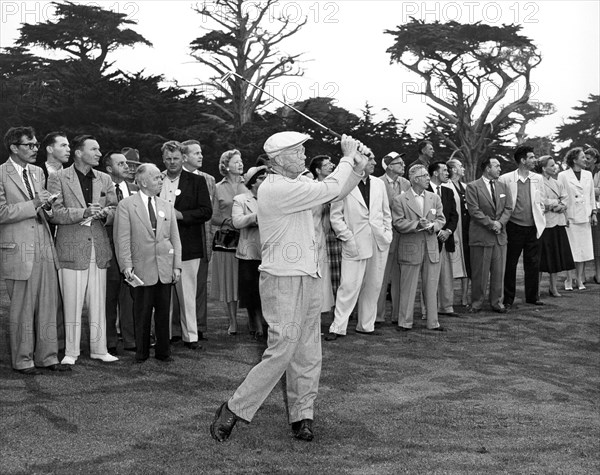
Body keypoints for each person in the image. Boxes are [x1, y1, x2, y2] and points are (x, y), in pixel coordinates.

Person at [209, 132, 369, 443]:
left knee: (308, 352)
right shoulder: (277, 187)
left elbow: (335, 193)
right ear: (279, 159)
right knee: (282, 350)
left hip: (308, 273)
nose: (303, 156)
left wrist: (359, 167)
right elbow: (330, 187)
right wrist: (348, 157)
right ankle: (233, 408)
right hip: (282, 278)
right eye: (298, 152)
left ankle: (302, 416)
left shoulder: (295, 184)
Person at [0, 126, 69, 374]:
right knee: (22, 308)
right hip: (18, 248)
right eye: (29, 145)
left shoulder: (38, 172)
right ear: (14, 148)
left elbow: (44, 208)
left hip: (44, 243)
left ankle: (48, 356)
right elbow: (2, 212)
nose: (34, 149)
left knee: (48, 303)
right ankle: (23, 360)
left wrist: (48, 207)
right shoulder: (1, 174)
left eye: (36, 145)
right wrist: (34, 204)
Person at [48, 135, 119, 365]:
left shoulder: (105, 178)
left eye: (99, 149)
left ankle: (99, 349)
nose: (99, 153)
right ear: (79, 153)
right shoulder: (58, 178)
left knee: (98, 302)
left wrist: (105, 214)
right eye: (94, 149)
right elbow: (54, 213)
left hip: (98, 248)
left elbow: (115, 208)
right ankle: (71, 351)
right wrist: (84, 213)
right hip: (71, 248)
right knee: (72, 302)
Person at [114, 164, 182, 363]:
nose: (161, 181)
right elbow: (122, 239)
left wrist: (176, 266)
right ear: (143, 181)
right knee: (141, 312)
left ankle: (163, 352)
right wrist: (126, 266)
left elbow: (175, 238)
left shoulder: (166, 205)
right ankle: (141, 352)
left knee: (163, 313)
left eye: (161, 178)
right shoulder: (126, 205)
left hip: (164, 268)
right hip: (141, 269)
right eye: (156, 178)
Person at [326, 154, 392, 340]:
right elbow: (336, 217)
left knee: (374, 285)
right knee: (349, 285)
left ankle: (366, 325)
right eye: (370, 160)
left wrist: (387, 234)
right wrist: (347, 237)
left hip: (378, 241)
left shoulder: (379, 184)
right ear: (358, 163)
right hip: (354, 241)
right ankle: (338, 327)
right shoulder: (346, 183)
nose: (374, 163)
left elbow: (386, 213)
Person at [160, 140, 212, 349]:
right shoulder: (157, 179)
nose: (172, 163)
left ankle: (191, 336)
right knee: (163, 293)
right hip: (161, 246)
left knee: (187, 292)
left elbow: (206, 212)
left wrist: (182, 215)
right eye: (168, 159)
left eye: (176, 158)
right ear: (163, 160)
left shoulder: (196, 181)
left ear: (183, 158)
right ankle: (167, 334)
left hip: (188, 244)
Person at [392, 164, 446, 331]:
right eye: (424, 176)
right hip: (410, 248)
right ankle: (404, 322)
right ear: (415, 179)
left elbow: (441, 219)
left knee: (431, 287)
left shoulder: (434, 198)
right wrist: (416, 224)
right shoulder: (400, 199)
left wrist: (434, 226)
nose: (428, 178)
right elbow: (398, 223)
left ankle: (433, 322)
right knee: (407, 287)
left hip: (431, 248)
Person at [499, 145, 546, 307]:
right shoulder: (505, 179)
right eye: (531, 157)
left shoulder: (538, 178)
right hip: (513, 227)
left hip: (534, 227)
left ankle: (532, 297)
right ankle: (508, 298)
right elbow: (502, 203)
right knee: (510, 264)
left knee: (533, 264)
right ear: (522, 160)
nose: (535, 160)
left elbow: (541, 201)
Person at [465, 158, 513, 313]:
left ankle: (497, 303)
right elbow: (474, 210)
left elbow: (508, 208)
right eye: (497, 166)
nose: (500, 168)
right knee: (480, 273)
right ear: (487, 168)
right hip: (481, 236)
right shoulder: (473, 187)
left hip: (500, 237)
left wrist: (500, 223)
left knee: (499, 273)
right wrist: (492, 224)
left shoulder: (503, 186)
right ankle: (477, 303)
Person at [103, 150, 138, 354]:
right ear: (109, 168)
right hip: (108, 248)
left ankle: (131, 338)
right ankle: (109, 341)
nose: (127, 166)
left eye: (127, 163)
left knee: (131, 295)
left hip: (133, 250)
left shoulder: (135, 189)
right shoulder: (102, 187)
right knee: (109, 296)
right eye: (121, 163)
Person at [182, 139, 216, 340]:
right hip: (181, 238)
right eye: (196, 153)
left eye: (201, 152)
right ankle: (178, 328)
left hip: (204, 237)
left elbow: (210, 212)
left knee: (200, 285)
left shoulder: (209, 179)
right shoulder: (168, 178)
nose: (201, 156)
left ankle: (199, 326)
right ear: (184, 157)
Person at [211, 149, 247, 335]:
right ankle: (232, 321)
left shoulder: (249, 183)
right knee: (229, 281)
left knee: (249, 280)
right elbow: (213, 216)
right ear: (225, 166)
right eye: (235, 162)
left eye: (241, 161)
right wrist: (228, 222)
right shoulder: (217, 188)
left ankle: (254, 321)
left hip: (250, 237)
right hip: (227, 240)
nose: (240, 164)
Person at [232, 166, 268, 339]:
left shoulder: (272, 198)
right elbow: (237, 222)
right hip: (249, 253)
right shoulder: (240, 199)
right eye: (262, 178)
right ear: (253, 182)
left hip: (269, 252)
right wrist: (255, 217)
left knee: (266, 289)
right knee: (250, 289)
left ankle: (265, 321)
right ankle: (254, 320)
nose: (266, 180)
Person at [376, 151, 410, 323]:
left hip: (403, 237)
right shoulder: (378, 183)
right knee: (381, 277)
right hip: (384, 236)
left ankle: (397, 315)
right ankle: (377, 316)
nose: (403, 166)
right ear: (389, 166)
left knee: (399, 278)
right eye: (399, 163)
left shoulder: (407, 183)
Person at [558, 147, 597, 290]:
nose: (585, 160)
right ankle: (569, 279)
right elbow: (560, 196)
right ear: (574, 160)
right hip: (571, 217)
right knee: (571, 250)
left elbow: (591, 196)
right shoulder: (563, 175)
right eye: (582, 157)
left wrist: (593, 213)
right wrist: (564, 215)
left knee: (583, 250)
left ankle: (579, 279)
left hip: (585, 217)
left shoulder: (588, 175)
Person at [536, 156, 574, 297]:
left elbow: (565, 198)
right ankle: (536, 289)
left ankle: (553, 287)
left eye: (554, 165)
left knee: (556, 256)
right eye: (551, 165)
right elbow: (540, 201)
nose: (554, 168)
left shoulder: (558, 183)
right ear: (543, 167)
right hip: (544, 224)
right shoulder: (537, 181)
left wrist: (559, 206)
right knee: (540, 257)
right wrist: (554, 204)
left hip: (558, 222)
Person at [308, 155, 336, 315]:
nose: (331, 166)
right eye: (326, 165)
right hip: (313, 236)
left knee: (325, 275)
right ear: (318, 170)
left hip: (326, 236)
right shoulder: (314, 188)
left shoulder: (332, 187)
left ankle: (320, 311)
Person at [445, 158, 471, 306]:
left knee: (467, 263)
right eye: (460, 166)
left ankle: (464, 297)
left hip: (466, 230)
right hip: (453, 230)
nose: (463, 169)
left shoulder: (466, 187)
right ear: (453, 170)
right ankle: (447, 297)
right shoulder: (445, 186)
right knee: (451, 263)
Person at [584, 147, 600, 284]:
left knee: (597, 244)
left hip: (597, 210)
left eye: (588, 159)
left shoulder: (598, 172)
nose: (586, 161)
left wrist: (585, 189)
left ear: (595, 159)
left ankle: (598, 273)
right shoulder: (582, 171)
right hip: (585, 210)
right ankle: (581, 275)